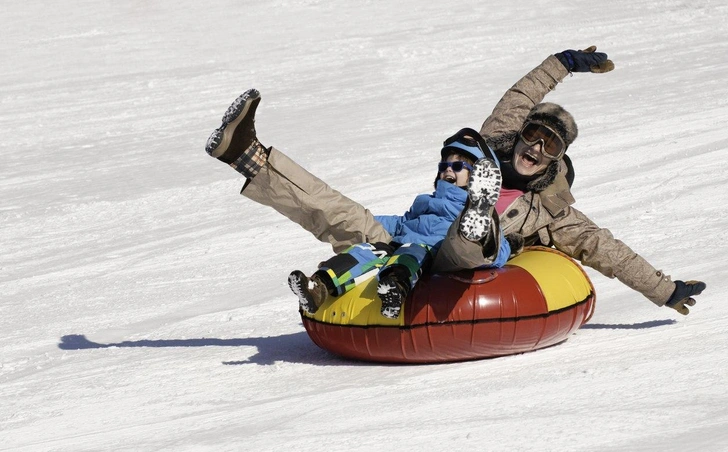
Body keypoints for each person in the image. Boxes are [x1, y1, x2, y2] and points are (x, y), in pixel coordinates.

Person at [205, 46, 705, 316]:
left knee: (469, 241)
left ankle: (478, 212)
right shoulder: (497, 137)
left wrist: (664, 290)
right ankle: (247, 155)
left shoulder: (551, 211)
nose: (534, 148)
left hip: (461, 255)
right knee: (344, 216)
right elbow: (522, 91)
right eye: (535, 135)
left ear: (558, 158)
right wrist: (565, 62)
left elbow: (607, 250)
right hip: (415, 231)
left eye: (549, 146)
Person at [287, 128, 510, 318]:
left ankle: (395, 289)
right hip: (398, 247)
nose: (448, 170)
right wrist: (366, 221)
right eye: (444, 166)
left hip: (439, 252)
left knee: (412, 251)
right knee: (364, 251)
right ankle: (318, 287)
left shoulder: (463, 211)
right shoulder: (425, 202)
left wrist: (495, 246)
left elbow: (501, 250)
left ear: (475, 178)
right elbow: (400, 223)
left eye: (458, 166)